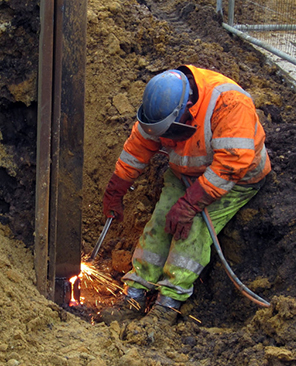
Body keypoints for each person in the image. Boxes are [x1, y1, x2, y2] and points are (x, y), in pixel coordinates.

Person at [101, 65, 271, 326]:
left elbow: (230, 166)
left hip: (234, 179)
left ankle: (167, 305)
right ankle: (134, 297)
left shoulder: (230, 104)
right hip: (186, 175)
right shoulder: (162, 104)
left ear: (188, 108)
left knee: (191, 230)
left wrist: (191, 204)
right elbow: (138, 147)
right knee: (159, 225)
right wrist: (116, 189)